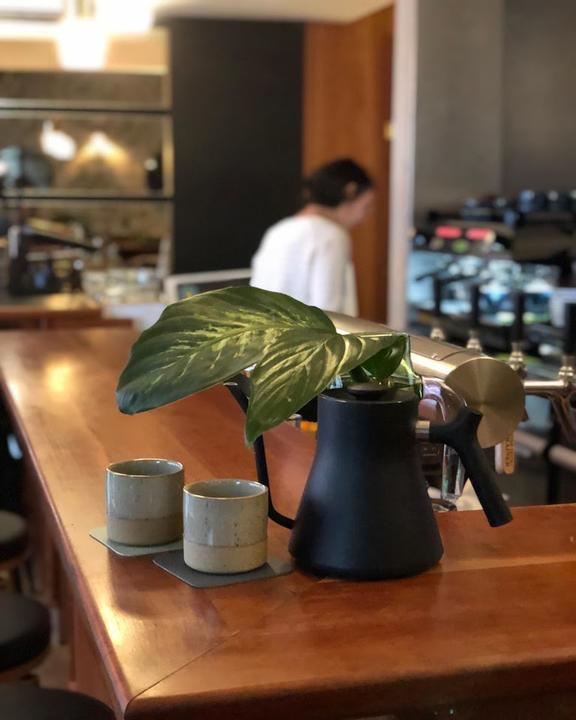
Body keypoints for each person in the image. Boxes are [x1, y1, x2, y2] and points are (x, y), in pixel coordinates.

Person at [250, 158, 375, 314]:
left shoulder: (278, 230)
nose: (365, 217)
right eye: (366, 206)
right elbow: (328, 311)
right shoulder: (332, 236)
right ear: (350, 191)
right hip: (304, 337)